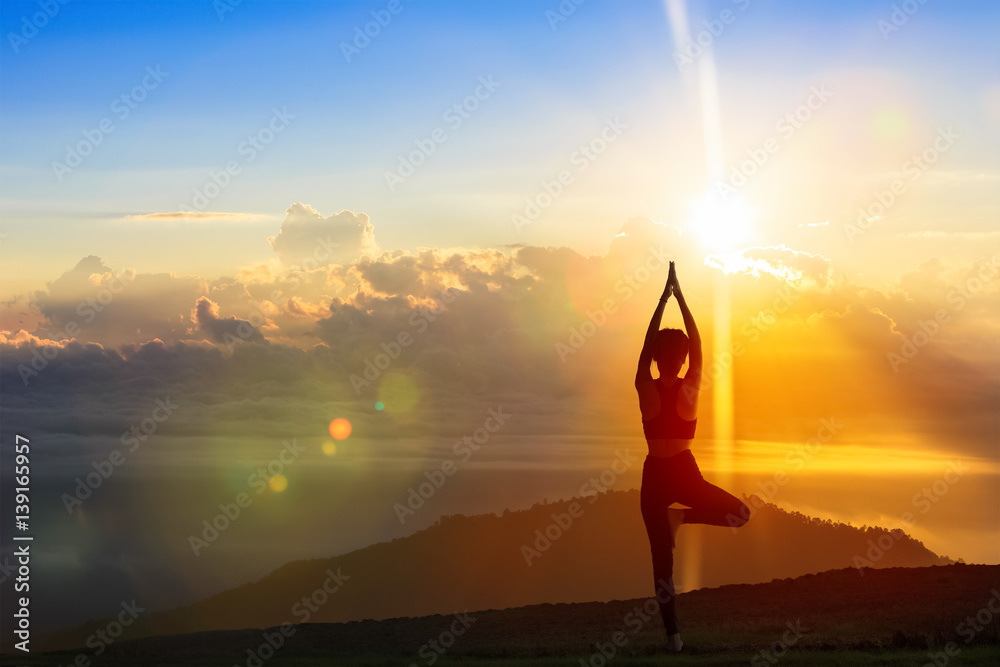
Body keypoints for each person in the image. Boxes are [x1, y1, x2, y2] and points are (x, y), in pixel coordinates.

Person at [634, 261, 749, 652]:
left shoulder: (643, 384)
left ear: (654, 358)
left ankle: (674, 639)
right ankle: (681, 516)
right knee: (741, 514)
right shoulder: (691, 385)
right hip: (683, 472)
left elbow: (646, 348)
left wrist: (661, 300)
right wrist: (680, 297)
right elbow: (699, 345)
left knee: (660, 562)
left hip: (656, 474)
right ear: (682, 360)